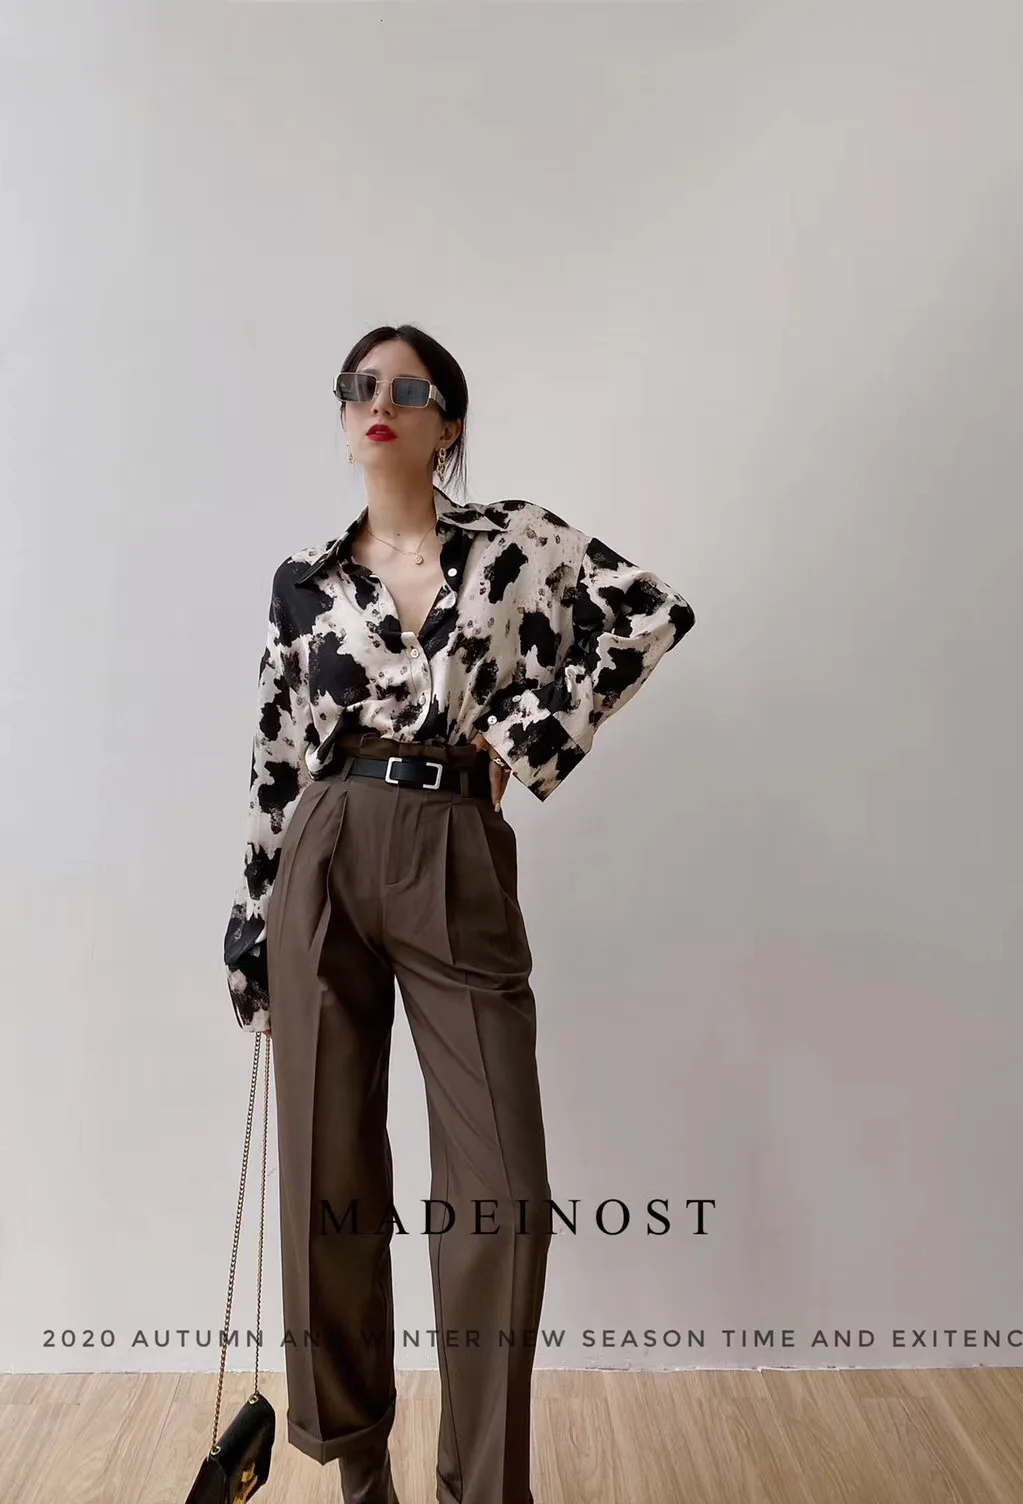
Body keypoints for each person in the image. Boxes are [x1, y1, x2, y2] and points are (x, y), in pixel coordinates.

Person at [222, 324, 696, 1504]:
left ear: (450, 422)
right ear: (343, 414)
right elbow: (276, 757)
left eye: (408, 387)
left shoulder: (513, 543)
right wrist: (252, 934)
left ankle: (479, 1487)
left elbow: (647, 612)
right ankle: (360, 1472)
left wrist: (522, 736)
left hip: (454, 846)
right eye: (359, 385)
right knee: (329, 1181)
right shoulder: (301, 581)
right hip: (324, 848)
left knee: (503, 1197)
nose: (377, 401)